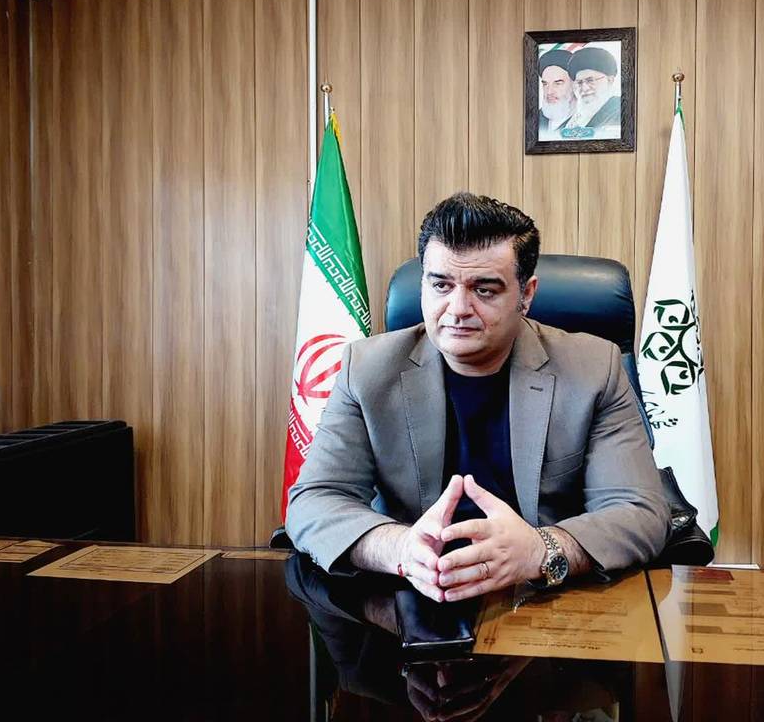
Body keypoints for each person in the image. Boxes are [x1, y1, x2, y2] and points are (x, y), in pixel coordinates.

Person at [285, 192, 668, 603]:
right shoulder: (366, 370)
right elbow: (314, 500)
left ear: (526, 294)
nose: (457, 309)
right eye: (441, 285)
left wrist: (541, 550)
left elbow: (639, 511)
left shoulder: (593, 369)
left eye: (484, 290)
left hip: (545, 599)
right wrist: (399, 549)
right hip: (413, 599)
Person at [565, 46, 621, 132]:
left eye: (590, 80)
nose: (584, 88)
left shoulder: (621, 111)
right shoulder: (574, 120)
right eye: (579, 82)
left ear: (610, 80)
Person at [537, 49, 576, 139]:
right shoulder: (534, 120)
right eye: (545, 84)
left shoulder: (589, 119)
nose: (549, 91)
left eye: (558, 83)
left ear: (574, 84)